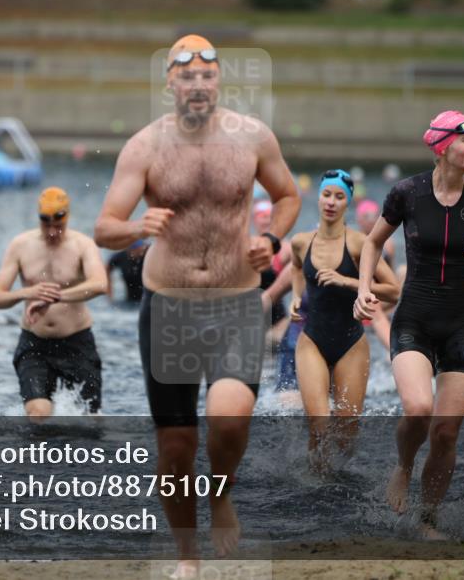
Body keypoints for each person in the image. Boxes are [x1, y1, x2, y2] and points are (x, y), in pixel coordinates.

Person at [94, 34, 300, 573]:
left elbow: (287, 196)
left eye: (207, 75)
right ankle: (188, 555)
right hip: (169, 307)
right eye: (187, 76)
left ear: (218, 80)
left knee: (229, 420)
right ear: (171, 82)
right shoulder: (144, 147)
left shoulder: (252, 137)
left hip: (236, 301)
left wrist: (272, 239)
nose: (199, 85)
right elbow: (104, 227)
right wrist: (138, 225)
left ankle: (221, 493)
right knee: (176, 446)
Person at [355, 110, 464, 538]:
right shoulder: (407, 193)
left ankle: (428, 519)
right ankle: (403, 466)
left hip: (462, 325)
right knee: (418, 410)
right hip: (414, 317)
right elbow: (373, 242)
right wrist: (363, 289)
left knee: (446, 432)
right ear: (442, 146)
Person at [290, 170, 399, 470]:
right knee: (319, 423)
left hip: (351, 343)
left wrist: (348, 282)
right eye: (327, 194)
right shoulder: (301, 242)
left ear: (347, 203)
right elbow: (296, 267)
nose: (331, 202)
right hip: (312, 340)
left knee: (346, 432)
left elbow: (394, 290)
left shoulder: (360, 244)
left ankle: (337, 476)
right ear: (319, 197)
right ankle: (315, 479)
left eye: (339, 197)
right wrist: (297, 296)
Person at [0, 187, 108, 418]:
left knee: (90, 420)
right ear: (39, 219)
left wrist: (54, 297)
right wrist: (28, 292)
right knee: (38, 413)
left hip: (77, 342)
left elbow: (100, 284)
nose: (52, 232)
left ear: (68, 217)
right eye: (46, 225)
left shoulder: (83, 245)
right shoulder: (20, 245)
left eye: (58, 225)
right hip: (35, 344)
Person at [355, 198, 398, 352]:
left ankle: (384, 315)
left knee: (404, 272)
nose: (371, 220)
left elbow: (391, 276)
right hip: (362, 293)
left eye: (375, 216)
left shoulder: (389, 245)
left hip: (382, 295)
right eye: (367, 216)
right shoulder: (355, 242)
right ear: (359, 219)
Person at [253, 199, 292, 345]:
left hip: (277, 321)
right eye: (262, 216)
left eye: (269, 217)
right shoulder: (246, 246)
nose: (266, 221)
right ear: (254, 220)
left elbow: (303, 271)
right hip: (252, 318)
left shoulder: (285, 248)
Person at [106, 239, 150, 303]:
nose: (134, 252)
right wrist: (109, 296)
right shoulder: (121, 257)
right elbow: (107, 268)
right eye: (133, 249)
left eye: (138, 248)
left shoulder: (150, 254)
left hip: (150, 300)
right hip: (130, 300)